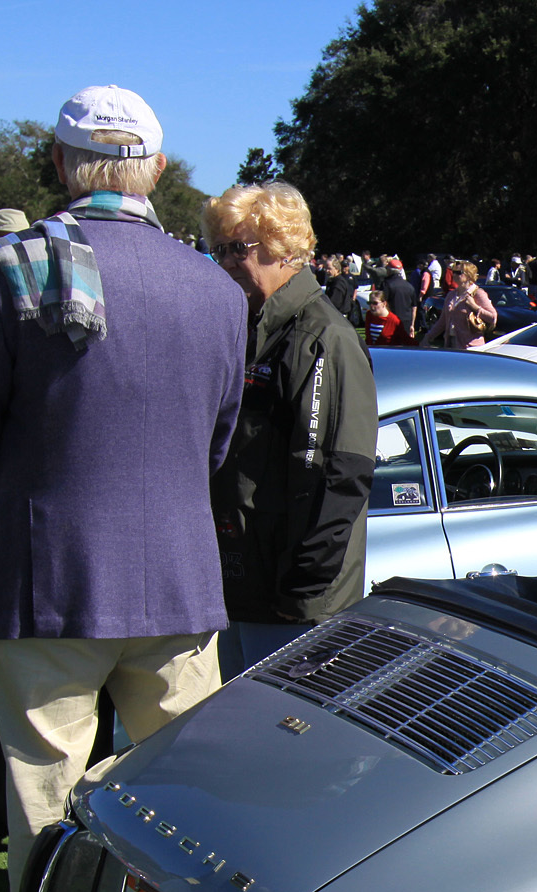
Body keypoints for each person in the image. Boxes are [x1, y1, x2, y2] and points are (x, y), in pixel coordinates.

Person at [0, 85, 246, 892]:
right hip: (180, 582)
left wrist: (23, 512)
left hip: (50, 579)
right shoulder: (213, 286)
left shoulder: (4, 270)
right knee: (188, 812)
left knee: (42, 798)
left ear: (65, 165)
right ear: (154, 168)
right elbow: (217, 441)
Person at [203, 181, 376, 676]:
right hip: (243, 588)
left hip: (293, 604)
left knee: (277, 741)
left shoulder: (323, 337)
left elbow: (341, 474)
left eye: (239, 248)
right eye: (220, 251)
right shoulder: (250, 328)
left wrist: (301, 586)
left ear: (283, 247)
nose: (228, 262)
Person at [421, 260, 497, 348]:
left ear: (469, 275)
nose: (454, 275)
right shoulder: (451, 295)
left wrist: (475, 307)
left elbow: (493, 317)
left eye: (458, 272)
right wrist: (428, 336)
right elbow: (442, 321)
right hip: (451, 344)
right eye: (453, 272)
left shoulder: (478, 293)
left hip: (472, 347)